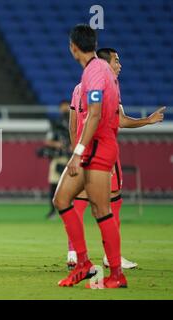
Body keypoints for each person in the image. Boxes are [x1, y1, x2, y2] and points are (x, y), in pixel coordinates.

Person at [66, 48, 166, 270]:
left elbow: (73, 125)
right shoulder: (109, 86)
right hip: (104, 152)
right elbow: (120, 121)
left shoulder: (78, 88)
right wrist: (148, 120)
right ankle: (112, 257)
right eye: (116, 61)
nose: (120, 65)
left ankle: (74, 252)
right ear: (104, 64)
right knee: (113, 204)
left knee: (77, 200)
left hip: (84, 153)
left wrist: (77, 152)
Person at [52, 24, 126, 288]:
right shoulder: (98, 71)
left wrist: (77, 153)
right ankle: (83, 264)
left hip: (98, 146)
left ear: (73, 47)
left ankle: (116, 274)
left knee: (100, 209)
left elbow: (94, 114)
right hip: (97, 145)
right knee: (62, 199)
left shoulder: (94, 72)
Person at [44, 100, 71, 220]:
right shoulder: (55, 124)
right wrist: (58, 144)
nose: (65, 109)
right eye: (63, 107)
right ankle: (53, 210)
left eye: (67, 107)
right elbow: (47, 140)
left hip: (72, 158)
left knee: (71, 187)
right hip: (58, 158)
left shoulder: (76, 122)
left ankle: (69, 210)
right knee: (54, 185)